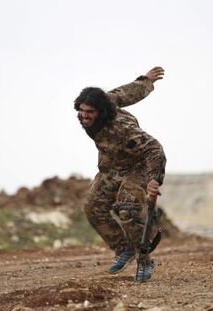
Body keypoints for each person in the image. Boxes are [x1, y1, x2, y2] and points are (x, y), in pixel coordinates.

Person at [74, 66, 167, 281]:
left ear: (101, 112)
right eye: (81, 110)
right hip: (113, 167)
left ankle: (145, 261)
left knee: (127, 210)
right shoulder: (103, 101)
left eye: (89, 112)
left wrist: (154, 179)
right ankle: (124, 249)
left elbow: (154, 149)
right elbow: (126, 92)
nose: (84, 115)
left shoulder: (122, 127)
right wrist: (147, 80)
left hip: (139, 167)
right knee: (93, 208)